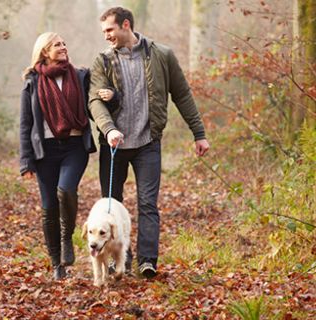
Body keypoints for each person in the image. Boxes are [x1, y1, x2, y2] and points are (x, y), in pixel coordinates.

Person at [88, 7, 210, 278]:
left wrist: (198, 133)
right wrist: (108, 130)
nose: (106, 36)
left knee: (147, 204)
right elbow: (94, 101)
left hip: (147, 143)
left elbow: (182, 95)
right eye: (104, 32)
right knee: (111, 205)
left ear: (126, 25)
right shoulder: (103, 61)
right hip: (114, 146)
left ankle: (147, 262)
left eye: (110, 30)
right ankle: (115, 262)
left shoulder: (161, 55)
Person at [19, 32, 96, 280]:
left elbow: (96, 106)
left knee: (66, 190)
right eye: (57, 45)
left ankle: (67, 238)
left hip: (75, 146)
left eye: (64, 43)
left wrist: (111, 99)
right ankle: (56, 265)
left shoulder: (80, 76)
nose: (63, 47)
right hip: (45, 152)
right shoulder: (32, 82)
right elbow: (25, 124)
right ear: (44, 52)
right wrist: (26, 160)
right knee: (49, 207)